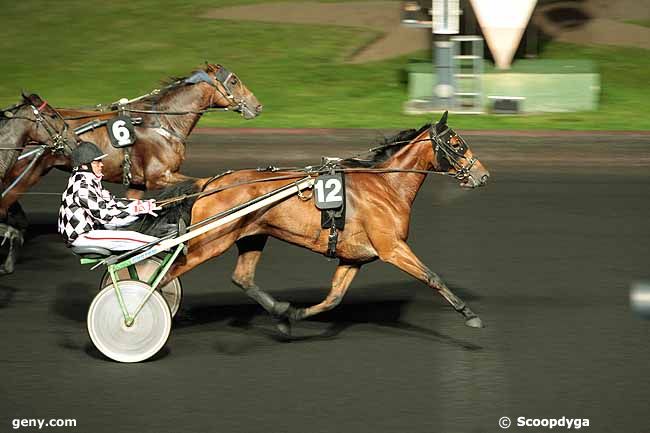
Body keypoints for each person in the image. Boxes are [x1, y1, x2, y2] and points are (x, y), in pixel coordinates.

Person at [58, 141, 161, 251]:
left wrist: (139, 205)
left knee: (131, 220)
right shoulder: (82, 187)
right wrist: (135, 209)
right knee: (129, 237)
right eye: (96, 162)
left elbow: (113, 202)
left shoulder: (90, 182)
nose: (101, 164)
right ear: (84, 166)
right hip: (81, 235)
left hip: (91, 230)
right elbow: (104, 215)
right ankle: (164, 245)